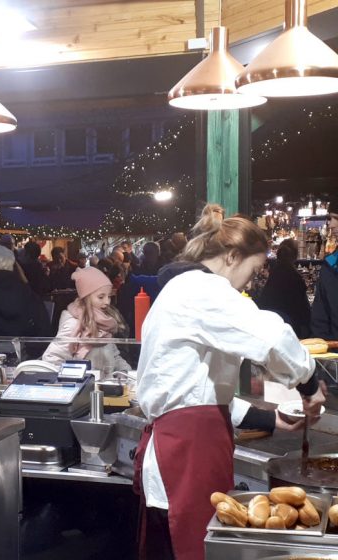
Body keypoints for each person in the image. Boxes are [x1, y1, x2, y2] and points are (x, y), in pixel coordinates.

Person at [135, 213, 325, 560]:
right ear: (232, 257)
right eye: (252, 273)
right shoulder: (202, 290)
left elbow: (195, 388)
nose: (249, 284)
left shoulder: (182, 291)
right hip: (185, 452)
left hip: (183, 443)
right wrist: (309, 383)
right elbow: (272, 336)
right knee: (191, 548)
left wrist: (269, 419)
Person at [43, 266, 130, 373]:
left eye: (109, 296)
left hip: (103, 387)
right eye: (101, 297)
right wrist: (78, 378)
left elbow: (115, 356)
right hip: (84, 388)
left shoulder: (104, 323)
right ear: (86, 297)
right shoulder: (74, 324)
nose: (107, 302)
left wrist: (126, 373)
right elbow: (51, 359)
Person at [258, 239, 311, 338]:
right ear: (295, 256)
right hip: (292, 328)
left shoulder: (273, 274)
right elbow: (304, 309)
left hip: (269, 326)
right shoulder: (295, 277)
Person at [311, 197, 338, 339]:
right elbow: (319, 318)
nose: (331, 224)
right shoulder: (330, 265)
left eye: (336, 218)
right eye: (330, 218)